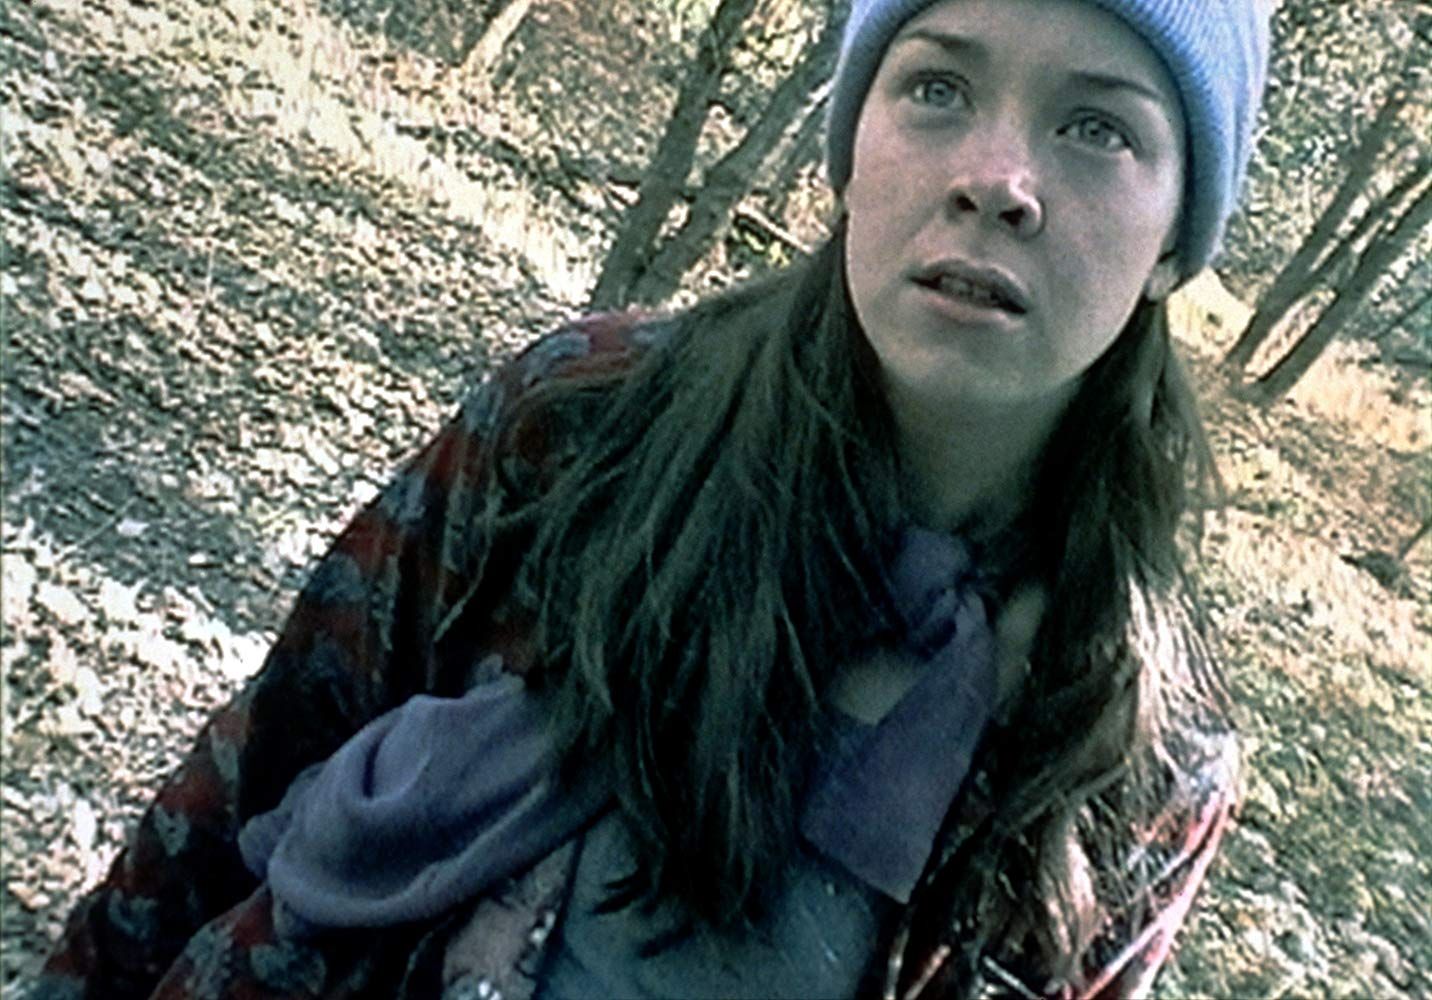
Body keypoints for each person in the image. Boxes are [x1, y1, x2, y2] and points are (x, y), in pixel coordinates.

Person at [35, 0, 1270, 996]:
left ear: (1174, 239)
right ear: (852, 150)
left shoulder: (1132, 741)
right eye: (937, 88)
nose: (997, 180)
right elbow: (254, 770)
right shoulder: (581, 424)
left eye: (1097, 130)